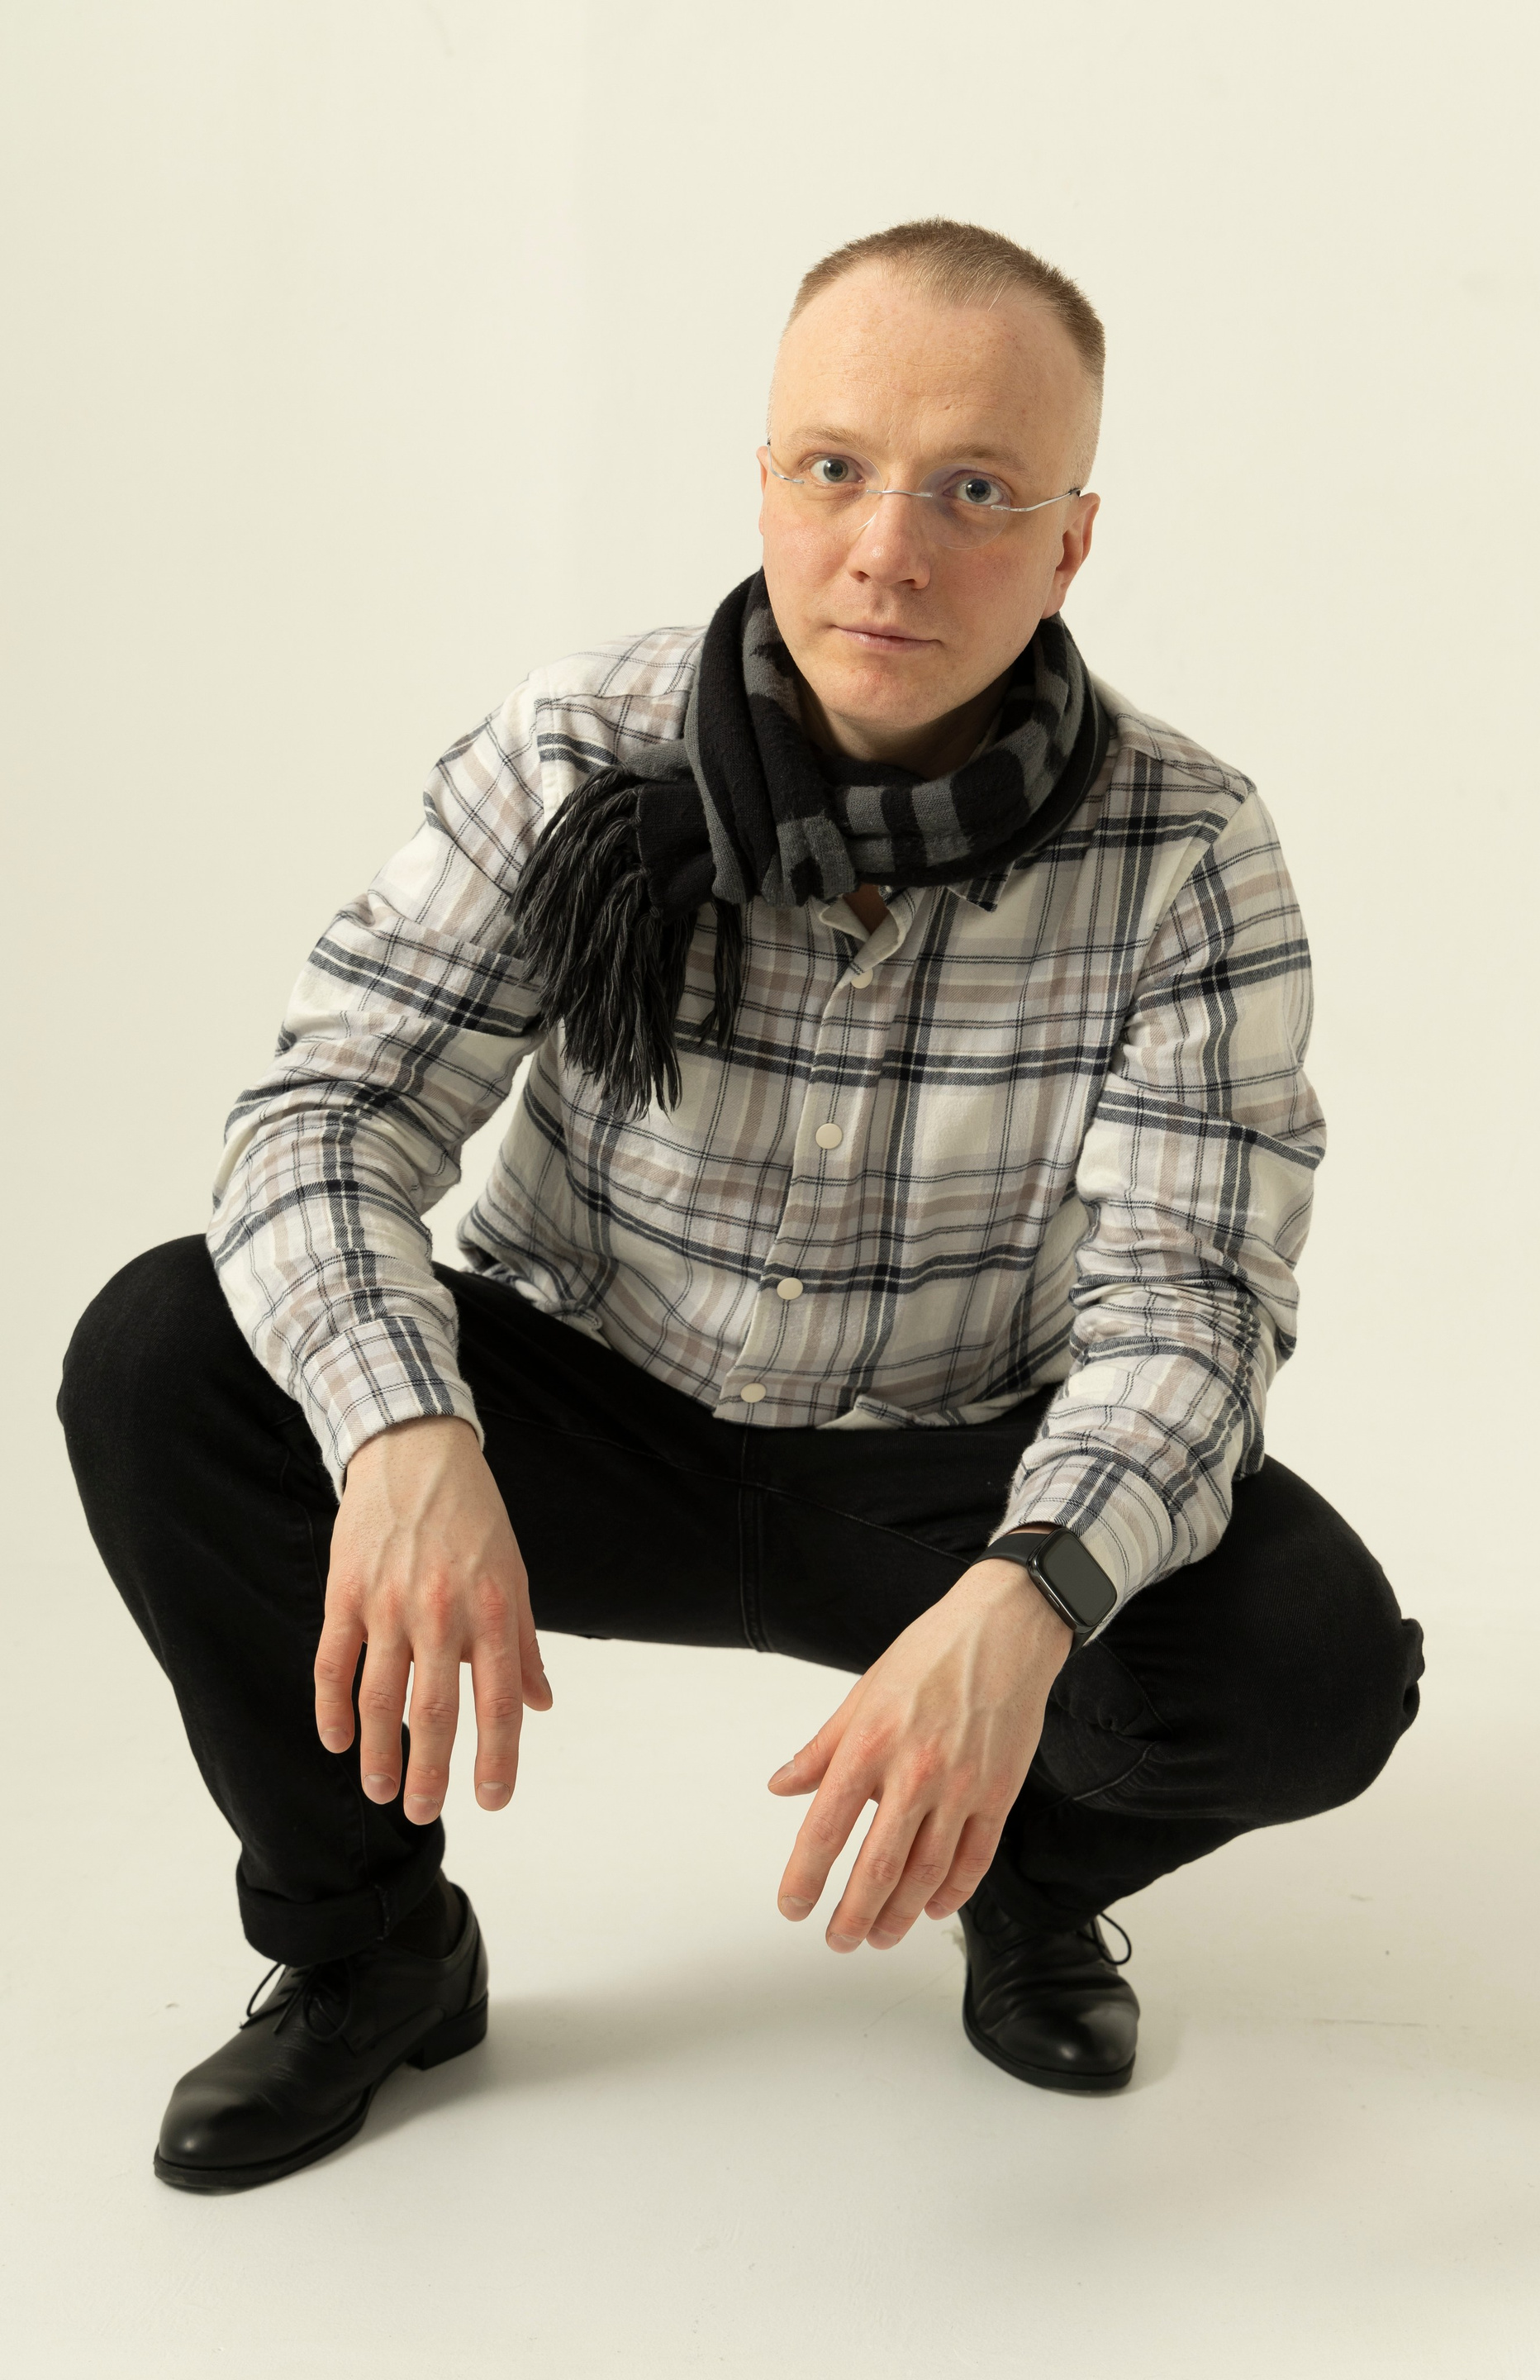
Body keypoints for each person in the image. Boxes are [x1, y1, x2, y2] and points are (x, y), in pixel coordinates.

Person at [59, 217, 1424, 2195]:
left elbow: (1191, 1310)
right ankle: (369, 1949)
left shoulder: (1188, 846)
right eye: (835, 467)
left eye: (977, 491)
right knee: (165, 1354)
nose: (889, 548)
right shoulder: (579, 745)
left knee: (1315, 1657)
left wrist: (1031, 1599)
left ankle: (1018, 1871)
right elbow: (326, 1115)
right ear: (766, 483)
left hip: (944, 1463)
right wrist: (406, 1427)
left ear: (1071, 545)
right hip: (586, 1408)